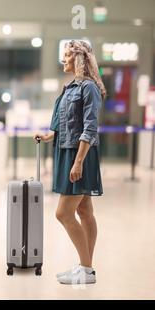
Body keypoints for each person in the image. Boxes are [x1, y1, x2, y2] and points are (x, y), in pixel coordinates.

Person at [35, 40, 105, 285]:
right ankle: (87, 268)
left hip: (80, 155)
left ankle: (86, 269)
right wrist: (48, 135)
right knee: (85, 211)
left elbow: (89, 128)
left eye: (66, 56)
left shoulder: (89, 88)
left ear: (78, 59)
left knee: (63, 213)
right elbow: (66, 125)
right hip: (68, 152)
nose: (63, 60)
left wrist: (78, 163)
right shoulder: (69, 88)